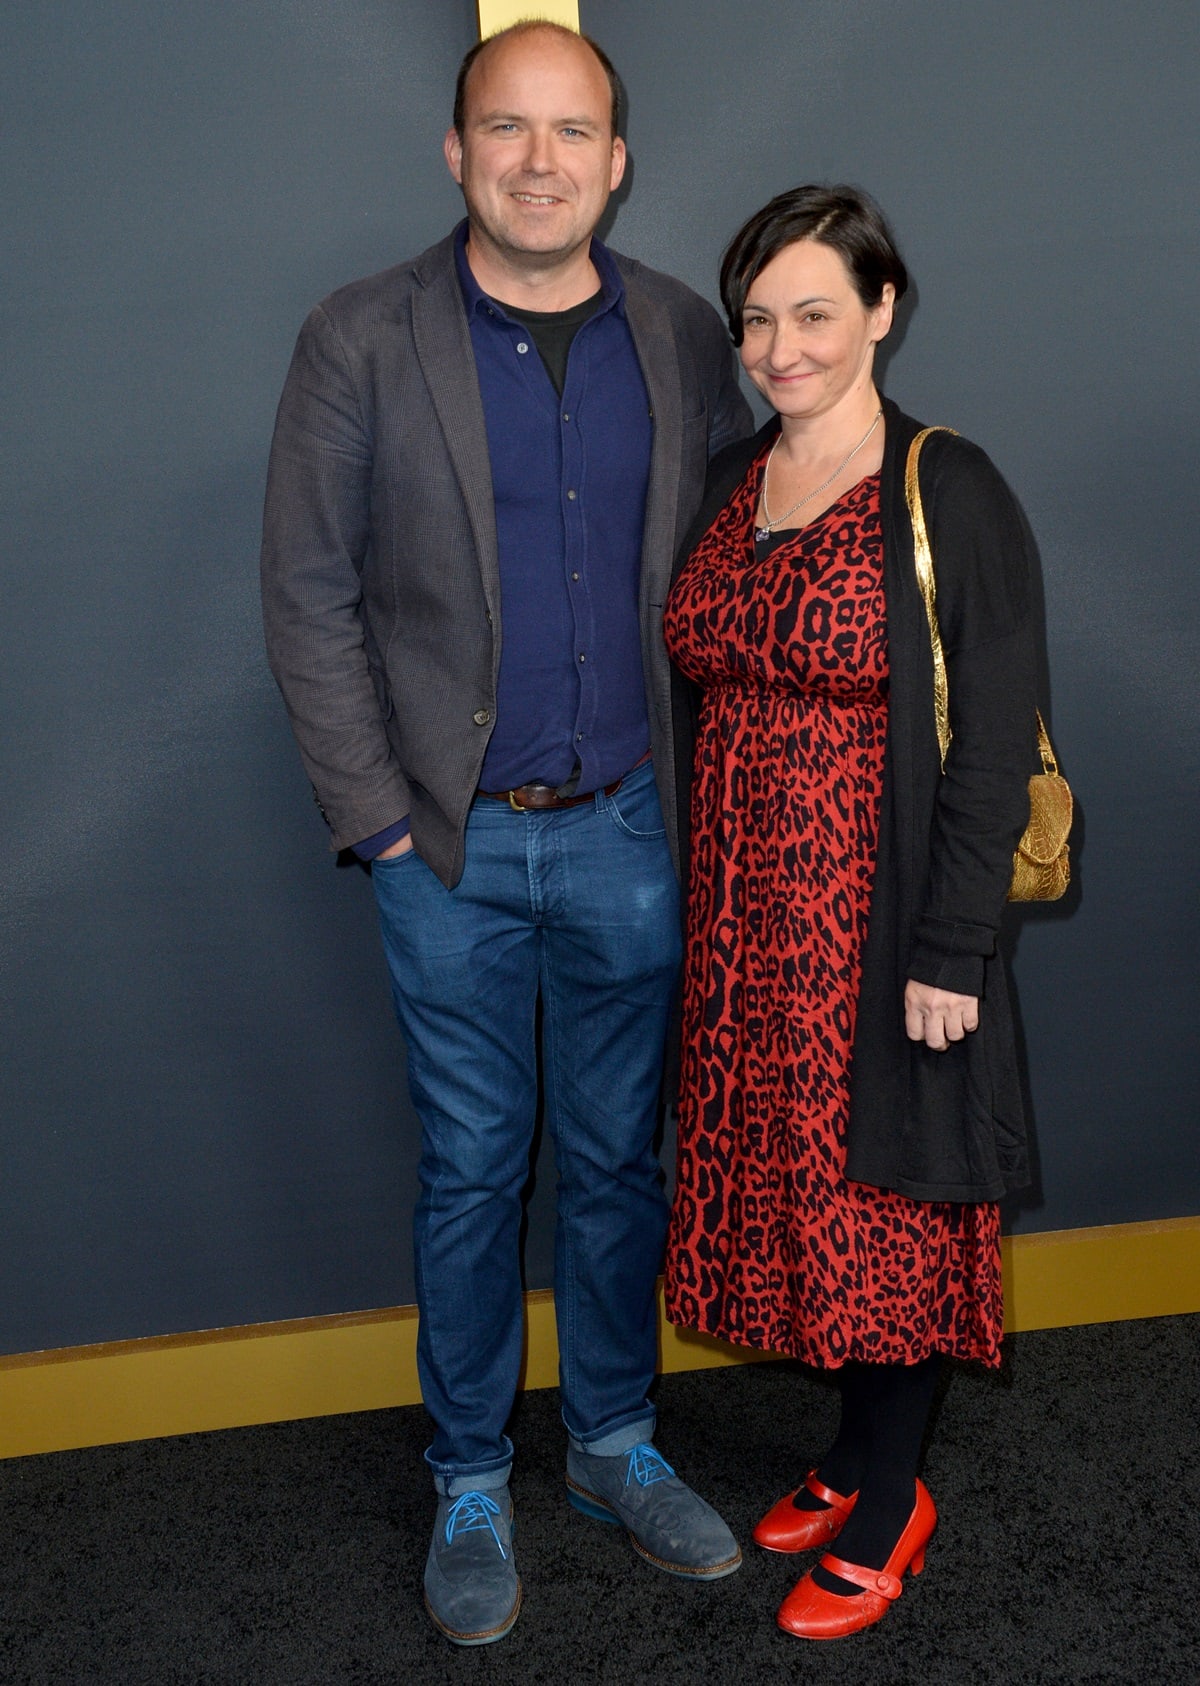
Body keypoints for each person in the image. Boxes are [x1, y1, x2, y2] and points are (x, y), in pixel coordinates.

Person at [260, 21, 752, 1649]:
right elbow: (310, 595)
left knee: (619, 1160)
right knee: (474, 1170)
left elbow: (742, 551)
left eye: (573, 132)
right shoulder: (359, 336)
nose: (540, 160)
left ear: (619, 160)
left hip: (630, 832)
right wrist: (385, 836)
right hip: (450, 854)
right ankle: (470, 1470)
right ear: (456, 150)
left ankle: (613, 1442)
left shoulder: (684, 334)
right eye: (506, 128)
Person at [662, 184, 1039, 1641]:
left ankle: (894, 1498)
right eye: (757, 317)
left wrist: (951, 948)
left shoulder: (952, 487)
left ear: (882, 309)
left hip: (880, 922)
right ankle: (845, 1451)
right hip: (747, 916)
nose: (781, 345)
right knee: (803, 1200)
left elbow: (997, 736)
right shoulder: (729, 479)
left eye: (814, 311)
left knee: (888, 1205)